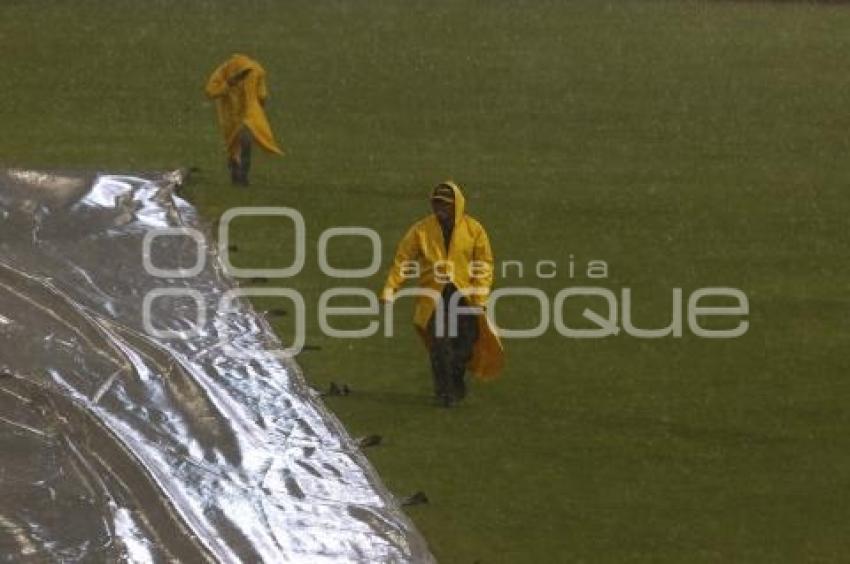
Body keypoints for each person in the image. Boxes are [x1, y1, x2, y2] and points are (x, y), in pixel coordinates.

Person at [381, 181, 504, 407]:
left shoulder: (474, 230)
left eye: (445, 205)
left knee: (466, 344)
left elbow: (484, 265)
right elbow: (403, 260)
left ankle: (454, 378)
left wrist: (480, 297)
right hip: (434, 296)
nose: (440, 210)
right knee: (440, 344)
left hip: (464, 295)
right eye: (437, 204)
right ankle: (445, 391)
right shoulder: (421, 230)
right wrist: (391, 287)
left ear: (456, 205)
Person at [205, 54, 283, 185]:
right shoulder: (222, 72)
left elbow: (262, 95)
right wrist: (229, 83)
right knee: (233, 145)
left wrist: (258, 109)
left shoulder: (256, 71)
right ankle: (235, 173)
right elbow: (211, 92)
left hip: (249, 114)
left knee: (245, 141)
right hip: (229, 114)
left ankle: (243, 174)